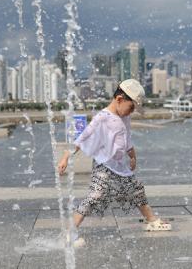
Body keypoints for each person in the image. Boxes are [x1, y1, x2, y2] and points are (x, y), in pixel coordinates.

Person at [58, 79, 171, 247]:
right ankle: (69, 233)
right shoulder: (103, 118)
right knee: (94, 196)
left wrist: (132, 157)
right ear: (119, 99)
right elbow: (84, 137)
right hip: (103, 165)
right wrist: (66, 156)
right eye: (131, 107)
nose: (131, 112)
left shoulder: (124, 117)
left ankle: (152, 220)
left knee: (137, 189)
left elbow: (127, 140)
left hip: (120, 167)